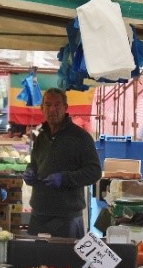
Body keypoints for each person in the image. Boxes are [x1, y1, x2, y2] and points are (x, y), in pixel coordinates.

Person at [22, 88, 101, 239]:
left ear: (65, 108)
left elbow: (94, 171)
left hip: (67, 216)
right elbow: (34, 164)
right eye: (48, 105)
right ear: (42, 109)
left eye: (57, 105)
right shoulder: (41, 138)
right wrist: (30, 172)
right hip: (39, 213)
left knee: (66, 261)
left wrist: (64, 178)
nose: (52, 109)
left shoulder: (80, 137)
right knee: (35, 261)